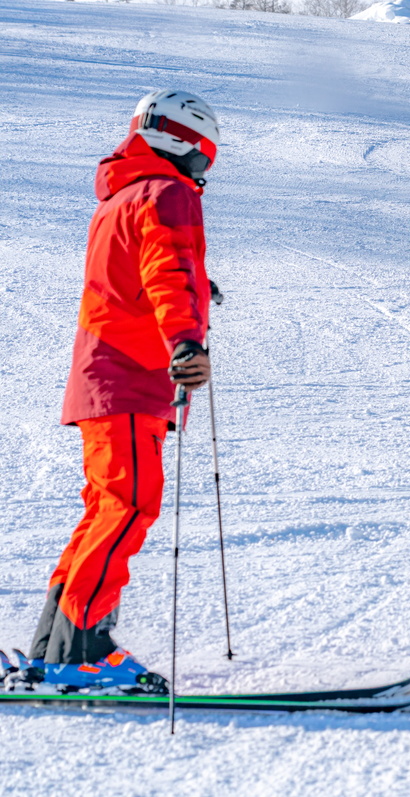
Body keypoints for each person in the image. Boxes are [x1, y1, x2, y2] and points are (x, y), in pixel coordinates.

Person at [18, 89, 219, 692]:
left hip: (105, 377)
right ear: (185, 142)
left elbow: (141, 271)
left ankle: (53, 647)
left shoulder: (121, 197)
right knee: (129, 505)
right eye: (206, 157)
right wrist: (186, 338)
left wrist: (201, 288)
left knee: (107, 508)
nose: (203, 171)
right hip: (130, 375)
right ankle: (83, 651)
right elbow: (166, 267)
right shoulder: (169, 191)